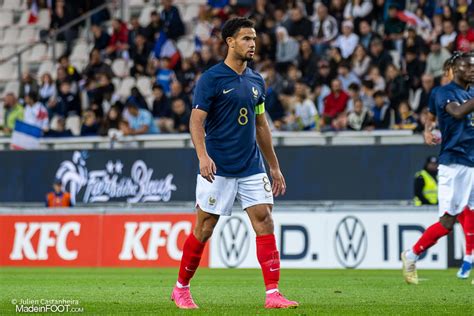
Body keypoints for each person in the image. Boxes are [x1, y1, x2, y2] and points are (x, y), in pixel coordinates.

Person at [170, 17, 298, 309]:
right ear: (229, 42)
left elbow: (261, 125)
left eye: (253, 39)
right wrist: (203, 157)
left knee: (264, 219)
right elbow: (196, 121)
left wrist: (274, 166)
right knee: (204, 229)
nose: (252, 44)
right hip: (219, 166)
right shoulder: (211, 79)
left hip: (251, 165)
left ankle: (273, 294)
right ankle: (181, 288)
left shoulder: (256, 80)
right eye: (245, 39)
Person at [401, 51, 474, 285]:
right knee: (447, 223)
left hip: (472, 162)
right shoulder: (444, 92)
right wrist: (428, 128)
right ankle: (411, 254)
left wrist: (427, 129)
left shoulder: (470, 92)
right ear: (455, 69)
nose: (472, 70)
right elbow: (457, 112)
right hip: (454, 163)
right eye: (467, 66)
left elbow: (431, 116)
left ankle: (469, 259)